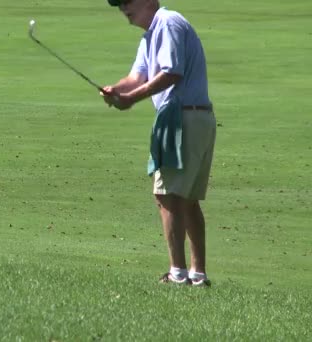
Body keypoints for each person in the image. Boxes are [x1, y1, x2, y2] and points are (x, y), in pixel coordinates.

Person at [102, 0, 216, 286]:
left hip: (182, 118)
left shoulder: (167, 22)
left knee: (167, 196)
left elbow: (171, 72)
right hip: (191, 117)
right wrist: (117, 89)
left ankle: (178, 273)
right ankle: (197, 275)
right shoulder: (151, 34)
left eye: (126, 2)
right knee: (187, 200)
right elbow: (136, 77)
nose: (122, 8)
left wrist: (131, 99)